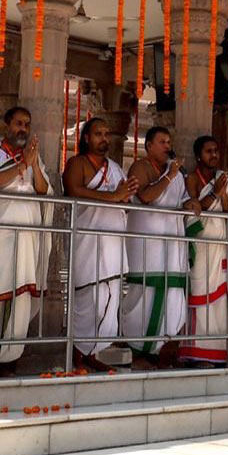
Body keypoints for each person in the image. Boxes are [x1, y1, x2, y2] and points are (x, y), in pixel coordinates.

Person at [0, 106, 51, 375]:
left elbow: (42, 190)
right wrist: (22, 165)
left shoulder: (31, 155)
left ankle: (11, 355)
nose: (23, 128)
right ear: (7, 124)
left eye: (27, 124)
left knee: (21, 295)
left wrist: (34, 163)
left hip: (27, 235)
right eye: (19, 123)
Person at [63, 117, 137, 371]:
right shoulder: (77, 163)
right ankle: (76, 352)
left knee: (110, 297)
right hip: (87, 241)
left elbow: (122, 198)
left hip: (113, 242)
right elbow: (73, 190)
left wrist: (124, 197)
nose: (104, 138)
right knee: (88, 297)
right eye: (98, 134)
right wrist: (112, 196)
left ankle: (93, 352)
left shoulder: (115, 168)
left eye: (107, 134)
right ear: (86, 138)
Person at [122, 126, 192, 368]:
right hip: (146, 243)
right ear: (148, 145)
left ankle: (163, 349)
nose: (167, 146)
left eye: (169, 141)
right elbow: (146, 197)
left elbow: (183, 199)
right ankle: (139, 351)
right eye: (162, 141)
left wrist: (192, 202)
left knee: (172, 295)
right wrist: (169, 176)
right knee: (145, 293)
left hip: (172, 243)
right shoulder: (140, 167)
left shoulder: (177, 173)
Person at [181, 135, 228, 366]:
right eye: (208, 151)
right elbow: (195, 209)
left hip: (221, 247)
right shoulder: (192, 178)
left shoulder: (222, 181)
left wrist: (223, 193)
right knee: (200, 300)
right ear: (198, 155)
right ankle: (196, 354)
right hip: (201, 248)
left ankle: (219, 354)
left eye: (216, 150)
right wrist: (215, 191)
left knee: (219, 304)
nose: (214, 155)